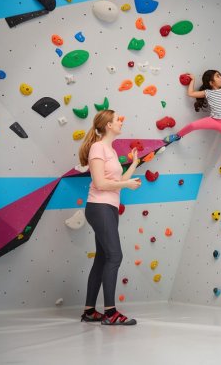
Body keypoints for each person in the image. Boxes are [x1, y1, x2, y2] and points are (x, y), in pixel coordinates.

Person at [77, 109, 142, 326]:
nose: (120, 122)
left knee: (103, 258)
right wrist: (126, 185)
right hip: (99, 207)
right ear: (108, 125)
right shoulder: (97, 148)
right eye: (117, 120)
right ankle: (110, 312)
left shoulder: (111, 151)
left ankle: (89, 311)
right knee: (115, 256)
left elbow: (117, 180)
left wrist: (133, 164)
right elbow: (100, 183)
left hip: (110, 208)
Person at [163, 70, 221, 180]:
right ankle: (177, 136)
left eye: (220, 75)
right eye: (217, 76)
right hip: (214, 120)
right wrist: (193, 80)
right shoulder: (208, 92)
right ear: (211, 82)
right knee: (193, 125)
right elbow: (190, 93)